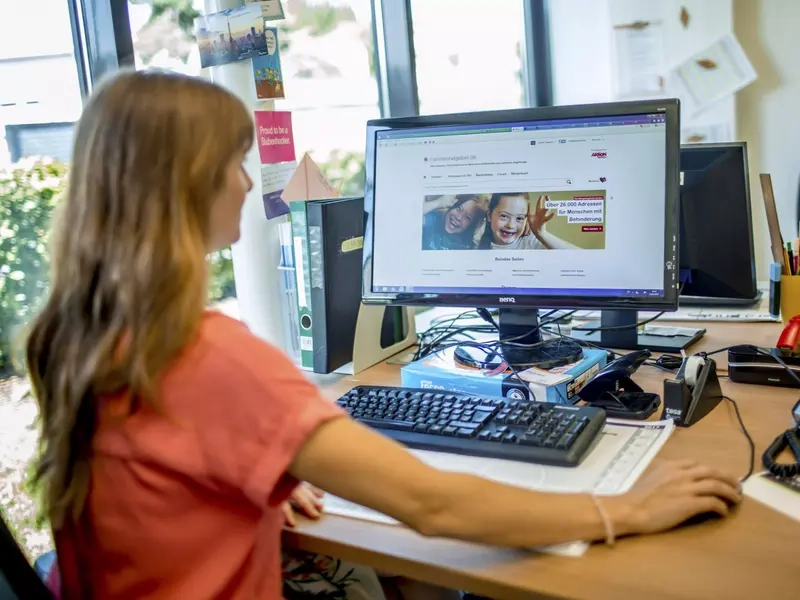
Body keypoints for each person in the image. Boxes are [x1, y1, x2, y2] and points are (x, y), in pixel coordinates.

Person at [27, 71, 741, 600]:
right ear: (187, 183)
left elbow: (163, 480)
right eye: (232, 164)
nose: (247, 184)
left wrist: (265, 483)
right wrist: (626, 508)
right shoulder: (208, 355)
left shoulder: (78, 334)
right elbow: (436, 506)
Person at [479, 192, 576, 250]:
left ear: (526, 220)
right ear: (489, 216)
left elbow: (581, 257)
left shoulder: (530, 241)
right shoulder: (475, 243)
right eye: (504, 216)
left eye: (520, 218)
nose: (511, 225)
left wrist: (542, 234)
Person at [421, 194, 485, 250]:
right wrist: (439, 203)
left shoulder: (466, 247)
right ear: (451, 206)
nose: (458, 218)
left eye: (467, 217)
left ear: (471, 225)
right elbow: (414, 216)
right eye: (459, 209)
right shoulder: (434, 220)